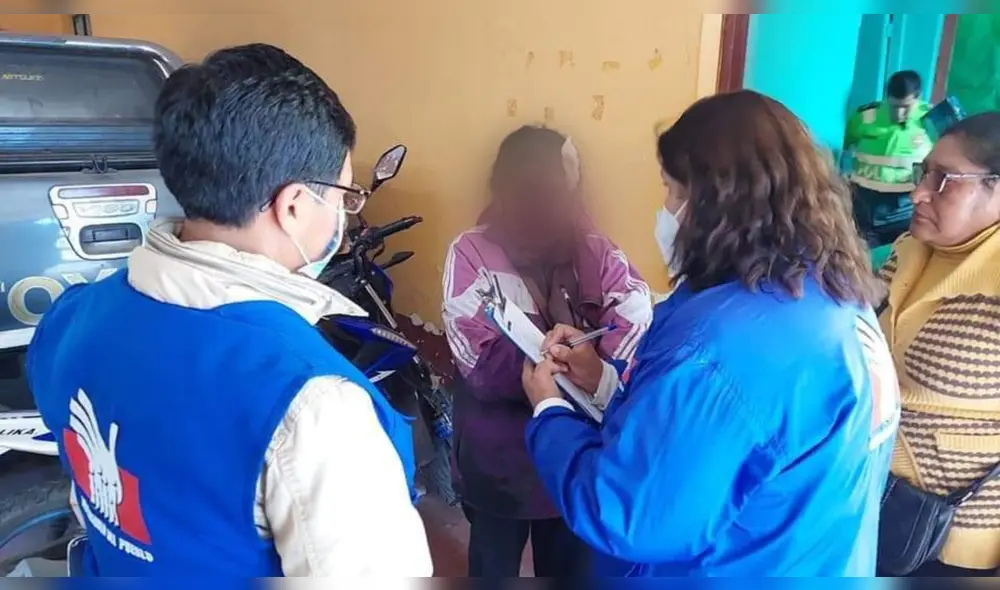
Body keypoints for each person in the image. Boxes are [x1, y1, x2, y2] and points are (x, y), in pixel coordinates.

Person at [27, 44, 432, 576]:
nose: (344, 213)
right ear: (293, 206)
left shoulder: (74, 316)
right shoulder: (314, 403)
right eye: (342, 194)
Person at [521, 91, 900, 576]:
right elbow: (729, 442)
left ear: (716, 203)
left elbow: (624, 512)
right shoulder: (834, 293)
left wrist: (550, 409)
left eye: (671, 191)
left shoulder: (721, 351)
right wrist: (603, 381)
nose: (665, 210)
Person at [441, 125, 652, 577]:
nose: (538, 209)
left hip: (570, 460)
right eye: (525, 192)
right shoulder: (472, 252)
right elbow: (475, 360)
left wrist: (597, 367)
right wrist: (570, 369)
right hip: (500, 466)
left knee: (568, 573)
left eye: (552, 193)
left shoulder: (595, 252)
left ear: (570, 195)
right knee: (493, 573)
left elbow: (636, 316)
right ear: (500, 191)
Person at [877, 112, 1000, 576]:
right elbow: (877, 315)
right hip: (884, 508)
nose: (918, 192)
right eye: (923, 172)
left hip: (963, 538)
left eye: (945, 178)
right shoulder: (911, 249)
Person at [845, 70, 933, 249]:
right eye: (894, 106)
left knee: (900, 254)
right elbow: (846, 143)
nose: (899, 113)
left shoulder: (931, 119)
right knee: (856, 252)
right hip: (863, 201)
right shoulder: (865, 116)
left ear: (918, 98)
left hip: (904, 205)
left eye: (906, 107)